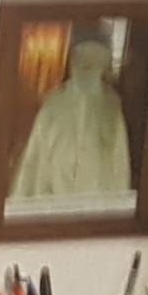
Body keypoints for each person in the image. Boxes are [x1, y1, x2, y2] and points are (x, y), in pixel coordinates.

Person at [9, 25, 133, 205]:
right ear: (73, 58)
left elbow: (120, 167)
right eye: (82, 55)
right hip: (51, 205)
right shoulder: (53, 105)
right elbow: (31, 163)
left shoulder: (112, 107)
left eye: (95, 56)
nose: (88, 62)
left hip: (96, 208)